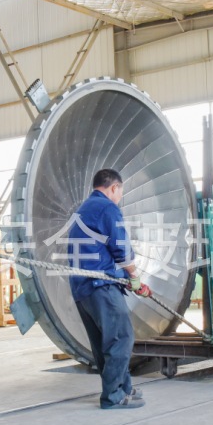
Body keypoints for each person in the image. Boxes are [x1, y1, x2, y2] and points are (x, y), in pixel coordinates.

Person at [69, 169, 151, 410]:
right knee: (121, 337)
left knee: (104, 342)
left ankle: (122, 388)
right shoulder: (107, 208)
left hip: (82, 287)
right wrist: (134, 277)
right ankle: (113, 395)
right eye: (120, 192)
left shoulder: (83, 209)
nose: (120, 197)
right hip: (100, 285)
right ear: (114, 187)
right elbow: (121, 248)